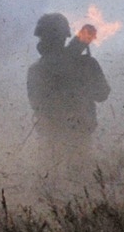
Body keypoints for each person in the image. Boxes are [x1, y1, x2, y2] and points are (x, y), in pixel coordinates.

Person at [27, 12, 110, 172]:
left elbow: (36, 103)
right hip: (77, 136)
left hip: (51, 138)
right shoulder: (85, 64)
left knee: (51, 182)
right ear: (64, 37)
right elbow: (102, 94)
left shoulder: (36, 69)